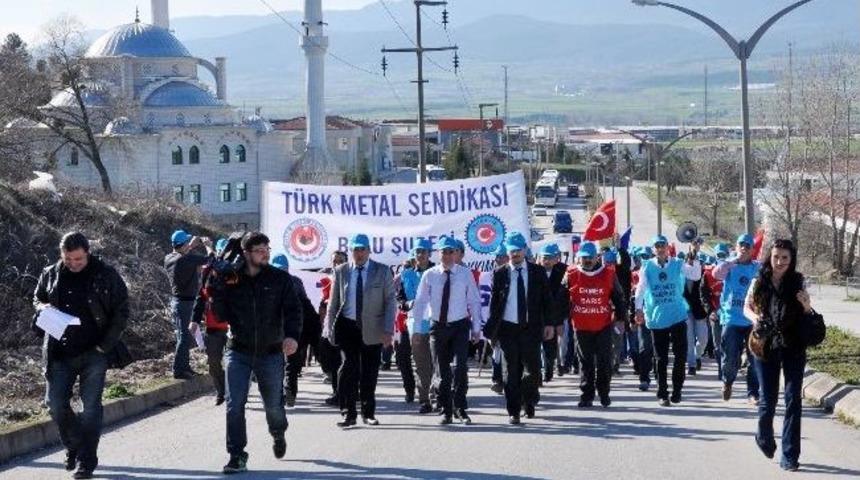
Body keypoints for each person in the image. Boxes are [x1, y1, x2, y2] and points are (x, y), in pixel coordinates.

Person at [33, 232, 129, 479]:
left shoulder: (105, 274)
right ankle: (75, 445)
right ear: (61, 255)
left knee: (91, 408)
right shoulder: (51, 273)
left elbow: (121, 310)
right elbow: (38, 296)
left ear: (87, 253)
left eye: (78, 259)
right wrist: (42, 306)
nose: (73, 264)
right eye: (68, 259)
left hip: (94, 352)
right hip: (59, 351)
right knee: (54, 405)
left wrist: (104, 346)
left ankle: (87, 461)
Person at [209, 232, 302, 474]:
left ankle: (278, 432)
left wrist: (291, 336)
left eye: (267, 249)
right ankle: (237, 455)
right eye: (260, 250)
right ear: (247, 253)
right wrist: (216, 285)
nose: (266, 254)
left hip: (271, 353)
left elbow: (294, 311)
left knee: (273, 405)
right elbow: (219, 315)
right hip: (238, 350)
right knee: (234, 404)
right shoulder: (232, 279)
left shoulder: (280, 278)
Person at [744, 239, 813, 472]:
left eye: (785, 257)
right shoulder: (759, 281)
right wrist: (755, 319)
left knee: (794, 400)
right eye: (776, 257)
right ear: (769, 257)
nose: (780, 261)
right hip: (766, 345)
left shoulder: (799, 281)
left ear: (791, 259)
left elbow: (807, 311)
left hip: (793, 345)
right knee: (768, 399)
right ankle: (763, 435)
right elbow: (747, 307)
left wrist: (806, 307)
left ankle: (790, 455)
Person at [324, 234, 396, 428]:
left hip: (373, 329)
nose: (359, 253)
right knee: (349, 368)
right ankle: (348, 414)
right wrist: (329, 328)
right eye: (355, 249)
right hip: (348, 326)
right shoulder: (342, 271)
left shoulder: (381, 271)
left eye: (362, 249)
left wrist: (388, 330)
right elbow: (333, 303)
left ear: (369, 250)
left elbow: (390, 302)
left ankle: (368, 413)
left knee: (369, 372)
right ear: (351, 251)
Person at [484, 232, 553, 424]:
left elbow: (547, 300)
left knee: (532, 371)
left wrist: (549, 324)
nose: (514, 255)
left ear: (524, 250)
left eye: (518, 251)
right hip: (507, 329)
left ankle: (528, 400)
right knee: (510, 372)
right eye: (511, 251)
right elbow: (494, 305)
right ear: (507, 252)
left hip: (531, 328)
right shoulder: (500, 273)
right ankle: (513, 411)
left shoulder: (537, 272)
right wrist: (492, 331)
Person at [412, 236, 483, 425]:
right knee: (441, 371)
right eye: (444, 252)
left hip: (460, 326)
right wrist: (418, 329)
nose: (447, 255)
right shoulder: (430, 275)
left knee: (460, 368)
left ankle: (460, 407)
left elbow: (474, 301)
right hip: (438, 326)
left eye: (451, 251)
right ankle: (446, 409)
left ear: (456, 253)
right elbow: (420, 302)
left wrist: (476, 328)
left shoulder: (464, 274)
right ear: (439, 254)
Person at [634, 235, 700, 406]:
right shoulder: (647, 266)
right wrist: (638, 308)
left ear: (667, 248)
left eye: (663, 245)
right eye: (657, 246)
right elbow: (640, 289)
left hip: (678, 315)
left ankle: (677, 389)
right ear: (654, 249)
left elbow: (695, 274)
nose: (660, 248)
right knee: (661, 358)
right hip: (657, 318)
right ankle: (662, 392)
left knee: (680, 356)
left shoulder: (677, 264)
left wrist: (694, 255)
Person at [562, 242, 628, 408]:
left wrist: (621, 319)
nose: (587, 261)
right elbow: (561, 299)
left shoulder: (608, 273)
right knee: (586, 362)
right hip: (581, 325)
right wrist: (557, 321)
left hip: (603, 325)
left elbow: (619, 298)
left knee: (605, 361)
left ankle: (604, 393)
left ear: (597, 257)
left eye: (590, 257)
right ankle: (587, 395)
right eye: (584, 258)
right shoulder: (570, 274)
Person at [713, 234, 762, 404]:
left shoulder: (757, 267)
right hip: (731, 319)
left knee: (754, 358)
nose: (744, 248)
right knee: (730, 358)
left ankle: (753, 393)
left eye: (748, 246)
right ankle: (727, 382)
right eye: (741, 245)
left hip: (751, 320)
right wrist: (733, 261)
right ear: (736, 247)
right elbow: (716, 274)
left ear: (752, 250)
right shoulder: (729, 265)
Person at [271, 254, 321, 408]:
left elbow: (305, 307)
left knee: (289, 364)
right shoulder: (266, 283)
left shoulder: (295, 282)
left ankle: (289, 393)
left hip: (291, 329)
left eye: (283, 270)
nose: (281, 273)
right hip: (275, 330)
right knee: (279, 364)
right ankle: (282, 392)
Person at [164, 229, 213, 379]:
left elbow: (182, 254)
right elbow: (209, 259)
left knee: (184, 336)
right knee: (184, 337)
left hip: (180, 302)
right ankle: (179, 370)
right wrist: (208, 245)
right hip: (184, 303)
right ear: (182, 245)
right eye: (186, 243)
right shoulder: (186, 259)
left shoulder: (169, 258)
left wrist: (189, 246)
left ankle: (184, 367)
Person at [396, 239, 436, 413]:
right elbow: (400, 299)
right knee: (421, 363)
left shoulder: (438, 271)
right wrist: (407, 304)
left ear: (429, 253)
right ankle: (425, 399)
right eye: (417, 251)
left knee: (438, 362)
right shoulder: (406, 274)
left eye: (423, 251)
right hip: (416, 323)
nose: (420, 255)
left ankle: (438, 395)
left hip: (438, 322)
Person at [190, 238, 230, 405]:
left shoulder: (237, 273)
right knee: (213, 363)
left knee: (235, 364)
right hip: (213, 326)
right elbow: (201, 297)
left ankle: (234, 392)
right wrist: (194, 320)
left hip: (234, 327)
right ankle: (221, 391)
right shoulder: (207, 272)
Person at [319, 250, 347, 406]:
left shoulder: (350, 278)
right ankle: (338, 392)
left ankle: (345, 393)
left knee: (347, 361)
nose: (337, 263)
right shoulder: (327, 280)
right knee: (332, 360)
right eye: (334, 261)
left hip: (348, 324)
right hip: (330, 326)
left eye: (340, 260)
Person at [537, 243, 567, 383]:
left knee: (550, 348)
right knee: (536, 348)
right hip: (536, 317)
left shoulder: (563, 273)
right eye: (544, 258)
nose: (546, 261)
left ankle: (549, 369)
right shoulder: (534, 272)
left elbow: (565, 300)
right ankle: (538, 372)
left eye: (549, 258)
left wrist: (560, 321)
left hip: (555, 318)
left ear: (556, 258)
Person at [701, 243, 729, 378]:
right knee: (718, 344)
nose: (722, 258)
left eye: (724, 255)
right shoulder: (707, 273)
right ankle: (721, 369)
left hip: (731, 314)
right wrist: (710, 310)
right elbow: (703, 294)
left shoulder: (733, 270)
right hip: (715, 313)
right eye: (719, 255)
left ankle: (729, 366)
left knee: (729, 344)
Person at [683, 237, 709, 376]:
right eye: (688, 260)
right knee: (689, 339)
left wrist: (695, 250)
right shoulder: (680, 275)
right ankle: (691, 365)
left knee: (703, 339)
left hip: (699, 310)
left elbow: (706, 292)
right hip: (685, 311)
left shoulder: (702, 274)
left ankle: (698, 355)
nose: (691, 262)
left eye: (693, 260)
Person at [489, 245, 509, 394]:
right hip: (497, 320)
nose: (498, 260)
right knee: (497, 350)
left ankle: (506, 380)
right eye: (496, 257)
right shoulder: (493, 274)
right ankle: (497, 379)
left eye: (500, 257)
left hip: (511, 319)